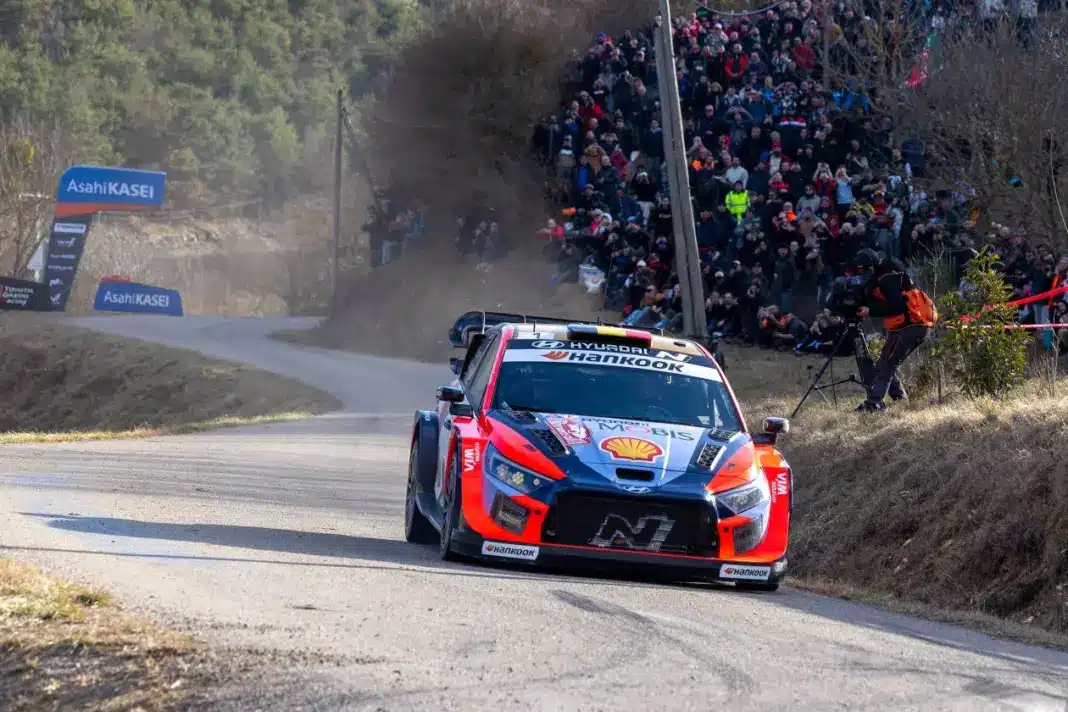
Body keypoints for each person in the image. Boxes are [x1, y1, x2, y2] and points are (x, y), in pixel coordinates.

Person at [854, 248, 938, 412]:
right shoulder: (880, 277)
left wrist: (871, 311)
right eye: (860, 270)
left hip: (912, 326)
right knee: (884, 364)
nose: (863, 273)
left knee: (888, 364)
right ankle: (900, 400)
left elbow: (897, 306)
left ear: (873, 265)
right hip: (905, 326)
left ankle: (873, 404)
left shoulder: (888, 277)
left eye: (866, 269)